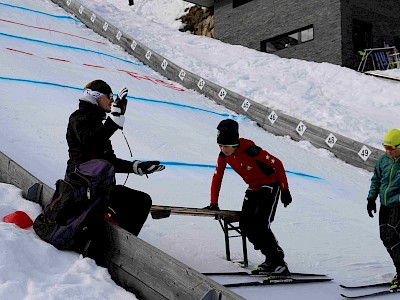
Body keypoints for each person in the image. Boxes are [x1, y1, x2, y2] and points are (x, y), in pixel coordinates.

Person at [66, 79, 165, 261]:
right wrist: (113, 122)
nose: (112, 101)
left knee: (142, 201)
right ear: (95, 97)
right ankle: (101, 252)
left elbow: (108, 161)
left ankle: (122, 247)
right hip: (82, 188)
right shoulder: (78, 118)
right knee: (119, 204)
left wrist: (136, 167)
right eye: (109, 97)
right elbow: (89, 144)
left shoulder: (98, 124)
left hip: (99, 188)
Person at [204, 119, 292, 275]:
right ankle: (270, 259)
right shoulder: (223, 156)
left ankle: (278, 262)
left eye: (226, 146)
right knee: (246, 225)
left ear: (235, 143)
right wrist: (213, 203)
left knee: (261, 224)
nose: (223, 149)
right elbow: (217, 177)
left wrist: (285, 190)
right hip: (253, 187)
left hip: (269, 185)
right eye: (220, 145)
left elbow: (277, 164)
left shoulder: (250, 149)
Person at [367, 128, 400, 291]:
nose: (387, 151)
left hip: (398, 205)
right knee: (385, 238)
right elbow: (376, 179)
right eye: (385, 147)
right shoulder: (383, 160)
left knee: (392, 237)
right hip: (384, 205)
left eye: (391, 148)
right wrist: (371, 198)